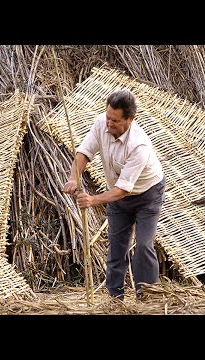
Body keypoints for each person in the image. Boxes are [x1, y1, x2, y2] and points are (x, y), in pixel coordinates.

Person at [63, 88, 166, 301]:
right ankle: (115, 298)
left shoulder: (139, 145)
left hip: (147, 195)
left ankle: (147, 297)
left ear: (131, 119)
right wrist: (74, 177)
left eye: (116, 121)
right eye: (108, 117)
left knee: (144, 245)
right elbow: (84, 152)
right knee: (117, 245)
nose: (110, 124)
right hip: (118, 197)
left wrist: (92, 200)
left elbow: (123, 189)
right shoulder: (102, 122)